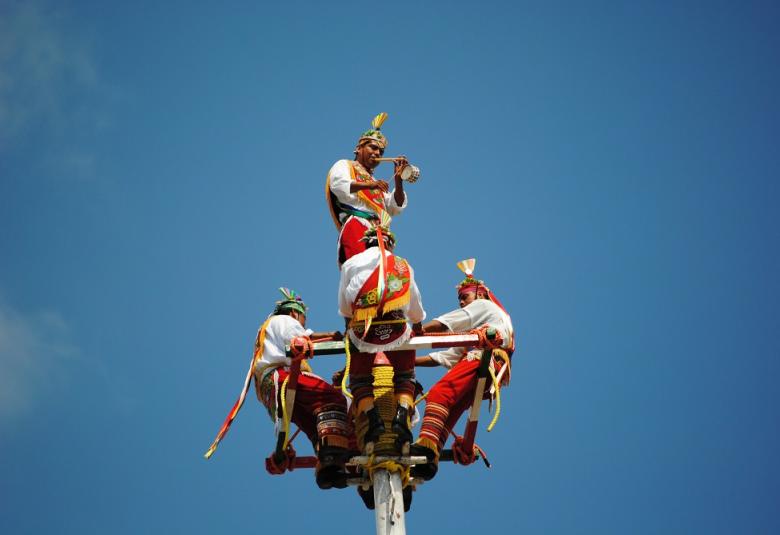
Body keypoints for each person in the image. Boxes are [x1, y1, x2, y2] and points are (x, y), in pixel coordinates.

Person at [411, 259, 514, 481]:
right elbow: (444, 356)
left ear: (480, 294)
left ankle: (426, 447)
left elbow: (447, 323)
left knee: (440, 393)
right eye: (459, 299)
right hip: (487, 369)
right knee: (449, 409)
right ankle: (429, 459)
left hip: (481, 359)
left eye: (464, 297)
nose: (461, 302)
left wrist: (413, 333)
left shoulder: (485, 306)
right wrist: (411, 362)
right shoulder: (477, 329)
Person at [337, 220, 425, 453]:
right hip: (397, 330)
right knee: (405, 376)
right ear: (390, 245)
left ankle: (372, 418)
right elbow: (414, 305)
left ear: (366, 244)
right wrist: (418, 325)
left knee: (360, 380)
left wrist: (349, 328)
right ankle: (401, 415)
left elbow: (345, 308)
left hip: (362, 333)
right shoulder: (402, 265)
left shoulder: (350, 264)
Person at [251, 288, 351, 489]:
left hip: (273, 391)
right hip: (283, 377)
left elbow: (306, 336)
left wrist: (331, 336)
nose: (304, 324)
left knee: (314, 425)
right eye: (303, 319)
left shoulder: (270, 327)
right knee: (333, 398)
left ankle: (328, 467)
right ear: (295, 313)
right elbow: (298, 339)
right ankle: (332, 452)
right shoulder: (284, 321)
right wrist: (334, 339)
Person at [326, 112, 410, 266]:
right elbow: (338, 184)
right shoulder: (345, 165)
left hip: (381, 233)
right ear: (359, 148)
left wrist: (398, 180)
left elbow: (394, 206)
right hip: (357, 226)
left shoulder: (376, 183)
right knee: (364, 268)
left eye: (381, 151)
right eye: (373, 147)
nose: (377, 153)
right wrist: (370, 185)